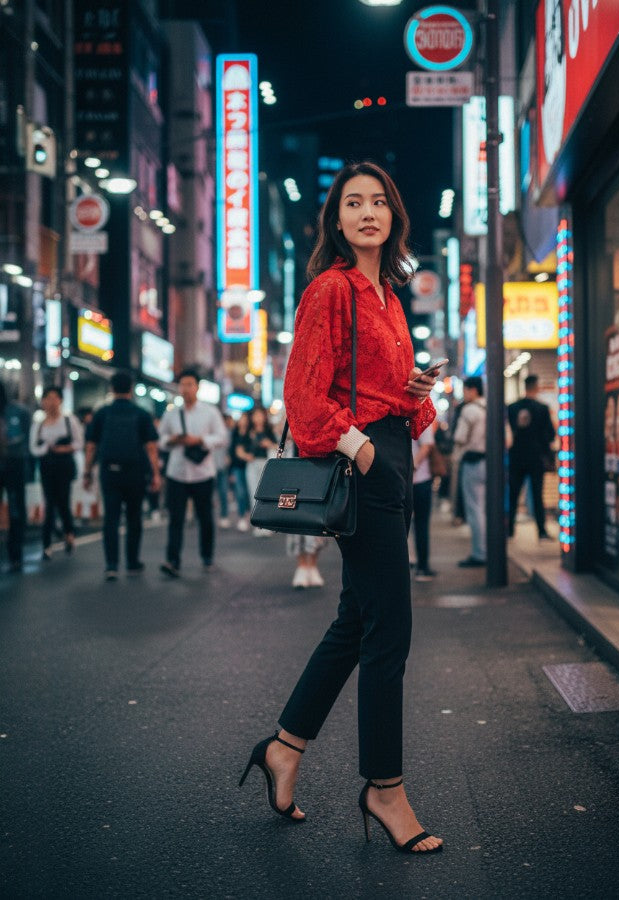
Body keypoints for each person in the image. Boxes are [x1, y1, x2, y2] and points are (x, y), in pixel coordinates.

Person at [239, 162, 443, 854]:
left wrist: (415, 391)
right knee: (389, 633)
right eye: (352, 202)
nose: (366, 212)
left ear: (393, 216)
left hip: (390, 460)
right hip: (364, 466)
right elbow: (305, 398)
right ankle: (384, 790)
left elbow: (387, 393)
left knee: (358, 623)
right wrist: (361, 450)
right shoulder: (330, 289)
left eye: (378, 201)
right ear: (335, 218)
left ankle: (285, 749)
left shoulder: (386, 292)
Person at [83, 371, 161, 580]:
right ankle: (133, 562)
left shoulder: (102, 413)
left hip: (109, 472)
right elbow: (151, 447)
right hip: (135, 472)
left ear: (111, 388)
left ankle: (111, 564)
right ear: (131, 389)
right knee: (134, 517)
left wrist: (87, 471)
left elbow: (91, 446)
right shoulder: (141, 414)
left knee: (111, 517)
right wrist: (155, 473)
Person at [158, 369, 228, 576]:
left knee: (205, 517)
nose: (185, 389)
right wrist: (173, 440)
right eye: (182, 384)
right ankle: (173, 561)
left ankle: (207, 557)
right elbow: (160, 440)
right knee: (175, 519)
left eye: (189, 384)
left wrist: (199, 440)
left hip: (202, 473)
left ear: (197, 387)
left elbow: (222, 437)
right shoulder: (171, 414)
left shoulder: (210, 412)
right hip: (177, 472)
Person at [29, 386, 83, 560]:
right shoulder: (38, 424)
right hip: (46, 465)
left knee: (63, 500)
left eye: (54, 398)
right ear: (43, 401)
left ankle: (69, 533)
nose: (51, 402)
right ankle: (47, 543)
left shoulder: (69, 420)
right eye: (47, 398)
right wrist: (46, 448)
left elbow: (79, 443)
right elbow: (33, 448)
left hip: (64, 465)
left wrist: (64, 448)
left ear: (60, 400)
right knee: (49, 503)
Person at [507, 374, 556, 540]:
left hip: (516, 457)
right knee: (537, 495)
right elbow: (550, 434)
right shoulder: (542, 408)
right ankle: (541, 531)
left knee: (513, 494)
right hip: (536, 457)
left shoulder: (512, 408)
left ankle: (509, 529)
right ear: (536, 387)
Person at [453, 376, 487, 567]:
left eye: (465, 390)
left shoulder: (469, 410)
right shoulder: (494, 408)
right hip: (493, 464)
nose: (464, 394)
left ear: (473, 390)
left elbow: (460, 437)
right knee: (490, 509)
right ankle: (491, 549)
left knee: (475, 509)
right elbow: (508, 439)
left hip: (472, 463)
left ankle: (479, 553)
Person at [0, 380, 31, 573]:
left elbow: (26, 440)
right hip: (14, 462)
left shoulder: (19, 412)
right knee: (16, 509)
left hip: (14, 464)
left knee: (16, 510)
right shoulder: (19, 411)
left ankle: (16, 554)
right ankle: (15, 555)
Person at [237, 405, 277, 537]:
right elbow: (239, 450)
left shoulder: (269, 430)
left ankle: (267, 524)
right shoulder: (248, 431)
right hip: (252, 464)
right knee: (253, 493)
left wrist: (269, 444)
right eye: (255, 415)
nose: (258, 418)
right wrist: (245, 456)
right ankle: (258, 525)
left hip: (266, 464)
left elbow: (278, 447)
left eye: (260, 415)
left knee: (267, 494)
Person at [411, 424, 436, 581]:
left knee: (412, 524)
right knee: (421, 524)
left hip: (414, 479)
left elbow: (427, 446)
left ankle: (420, 564)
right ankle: (422, 566)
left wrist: (410, 466)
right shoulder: (419, 414)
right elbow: (427, 445)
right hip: (420, 479)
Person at [229, 411, 251, 531]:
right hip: (237, 467)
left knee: (249, 492)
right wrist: (231, 471)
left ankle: (248, 513)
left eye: (245, 418)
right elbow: (232, 453)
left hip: (249, 466)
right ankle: (242, 516)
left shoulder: (250, 433)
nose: (243, 420)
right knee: (240, 492)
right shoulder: (235, 433)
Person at [215, 413, 234, 528]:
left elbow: (230, 450)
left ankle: (224, 516)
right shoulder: (212, 432)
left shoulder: (228, 433)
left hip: (222, 466)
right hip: (210, 467)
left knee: (223, 492)